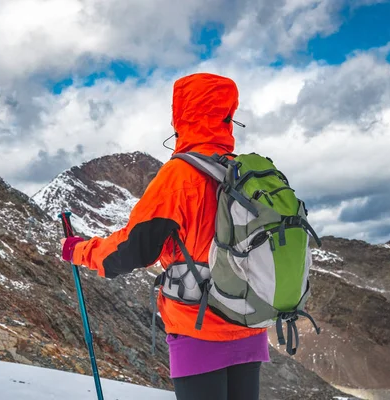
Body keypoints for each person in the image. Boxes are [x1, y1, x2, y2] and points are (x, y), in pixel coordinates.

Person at [60, 72, 269, 400]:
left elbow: (134, 249)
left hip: (198, 328)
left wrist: (79, 251)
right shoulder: (245, 173)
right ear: (228, 115)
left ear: (181, 115)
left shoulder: (179, 176)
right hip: (249, 328)